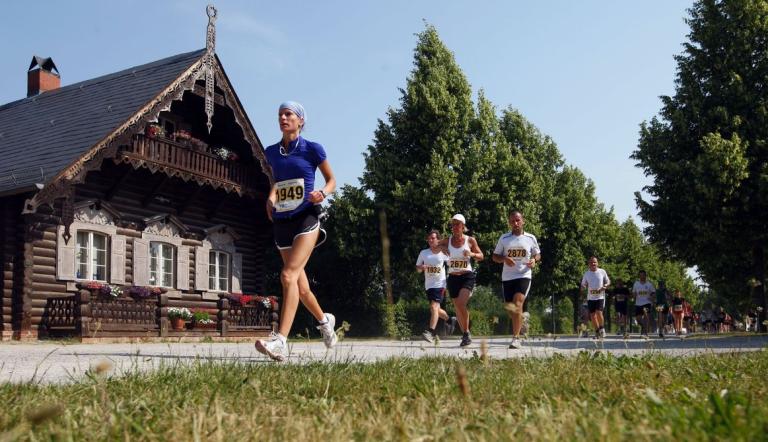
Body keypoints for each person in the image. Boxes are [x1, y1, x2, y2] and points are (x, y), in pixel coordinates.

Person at [255, 101, 338, 361]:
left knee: (288, 276)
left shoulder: (313, 148)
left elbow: (331, 180)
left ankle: (280, 341)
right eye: (280, 114)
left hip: (306, 219)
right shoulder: (271, 152)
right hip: (282, 221)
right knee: (301, 288)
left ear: (300, 120)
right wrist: (270, 198)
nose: (283, 117)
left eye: (288, 114)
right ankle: (325, 323)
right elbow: (277, 183)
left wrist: (322, 193)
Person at [492, 210, 541, 349]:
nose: (515, 223)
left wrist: (533, 260)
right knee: (511, 309)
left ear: (523, 221)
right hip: (507, 277)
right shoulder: (504, 238)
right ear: (509, 223)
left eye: (518, 220)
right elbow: (495, 256)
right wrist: (504, 258)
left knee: (518, 303)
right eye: (512, 221)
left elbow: (537, 254)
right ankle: (523, 319)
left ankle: (516, 338)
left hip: (524, 275)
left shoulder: (530, 238)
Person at [438, 214, 483, 347]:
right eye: (453, 224)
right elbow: (433, 245)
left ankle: (466, 332)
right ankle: (465, 334)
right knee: (457, 306)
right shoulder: (447, 240)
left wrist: (472, 254)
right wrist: (442, 248)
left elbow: (481, 256)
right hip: (452, 277)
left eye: (457, 224)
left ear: (463, 226)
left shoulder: (470, 240)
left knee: (461, 303)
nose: (455, 227)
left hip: (467, 276)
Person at [416, 230, 456, 343]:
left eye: (433, 238)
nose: (431, 240)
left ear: (438, 239)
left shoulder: (443, 253)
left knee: (434, 307)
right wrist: (421, 268)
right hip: (429, 285)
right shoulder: (424, 253)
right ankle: (450, 319)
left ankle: (430, 332)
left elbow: (451, 263)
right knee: (435, 309)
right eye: (429, 238)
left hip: (440, 283)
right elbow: (418, 268)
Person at [580, 257, 611, 339]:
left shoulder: (602, 271)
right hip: (590, 298)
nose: (593, 264)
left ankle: (602, 329)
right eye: (591, 262)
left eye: (595, 262)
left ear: (597, 263)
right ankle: (597, 332)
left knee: (599, 312)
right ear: (589, 264)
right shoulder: (586, 274)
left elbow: (608, 281)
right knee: (593, 315)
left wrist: (605, 286)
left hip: (600, 296)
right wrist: (583, 287)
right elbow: (583, 284)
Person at [632, 270, 655, 338]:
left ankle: (645, 333)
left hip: (647, 303)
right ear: (639, 276)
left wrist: (652, 297)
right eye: (640, 275)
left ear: (645, 276)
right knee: (638, 319)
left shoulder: (649, 284)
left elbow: (653, 292)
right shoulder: (636, 284)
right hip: (638, 303)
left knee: (646, 316)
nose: (642, 277)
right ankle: (643, 327)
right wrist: (634, 295)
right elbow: (633, 292)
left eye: (643, 275)